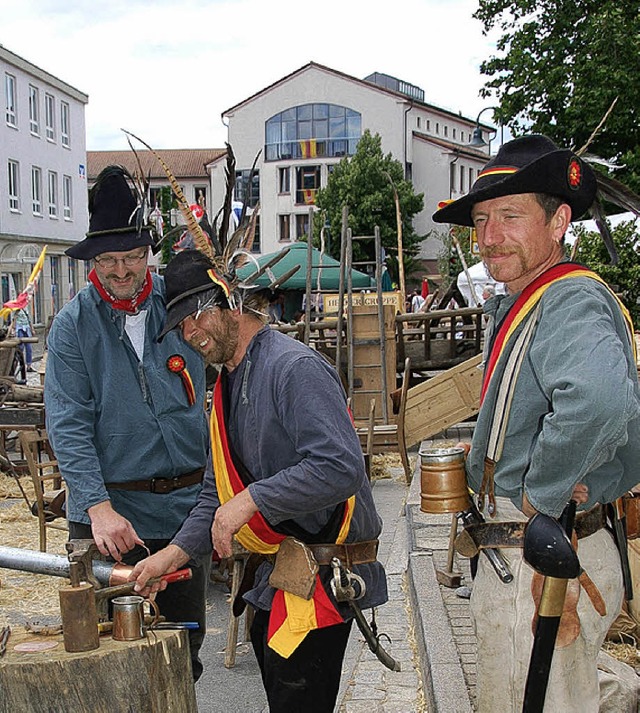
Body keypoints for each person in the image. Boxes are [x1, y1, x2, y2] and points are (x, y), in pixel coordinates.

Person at [129, 249, 388, 712]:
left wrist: (251, 501)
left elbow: (341, 467)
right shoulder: (225, 384)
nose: (191, 335)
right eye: (181, 327)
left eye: (196, 316)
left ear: (230, 300)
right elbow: (216, 494)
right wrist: (172, 555)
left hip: (323, 576)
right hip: (283, 574)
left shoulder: (294, 368)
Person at [433, 135, 640, 712]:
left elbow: (599, 402)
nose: (489, 236)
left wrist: (542, 491)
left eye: (510, 216)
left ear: (559, 221)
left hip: (543, 558)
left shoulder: (569, 299)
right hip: (535, 554)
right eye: (481, 220)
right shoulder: (531, 300)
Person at [44, 166, 209, 679]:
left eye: (132, 257)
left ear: (147, 255)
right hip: (112, 522)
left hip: (184, 512)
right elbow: (67, 422)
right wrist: (96, 507)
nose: (121, 271)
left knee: (181, 660)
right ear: (93, 259)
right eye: (109, 259)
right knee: (110, 665)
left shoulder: (182, 306)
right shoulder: (72, 327)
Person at [13, 307, 34, 371]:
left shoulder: (26, 309)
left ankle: (29, 366)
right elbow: (14, 319)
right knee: (20, 348)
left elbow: (29, 319)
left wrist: (32, 329)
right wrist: (14, 329)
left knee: (29, 348)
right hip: (20, 329)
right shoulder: (17, 310)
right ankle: (18, 364)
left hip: (27, 329)